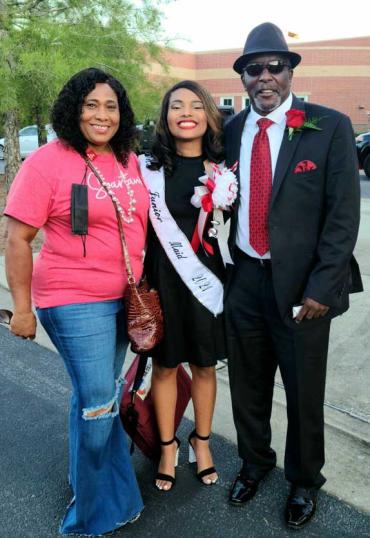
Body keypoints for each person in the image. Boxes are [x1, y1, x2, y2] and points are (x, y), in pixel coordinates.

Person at [224, 22, 363, 529]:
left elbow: (343, 217)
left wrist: (324, 288)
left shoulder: (328, 126)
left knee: (303, 390)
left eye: (274, 67)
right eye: (253, 69)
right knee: (247, 383)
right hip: (244, 279)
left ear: (289, 72)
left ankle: (305, 479)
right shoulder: (234, 130)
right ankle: (255, 461)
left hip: (304, 290)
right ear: (242, 78)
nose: (264, 77)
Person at [4, 67, 148, 536]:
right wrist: (22, 309)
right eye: (91, 105)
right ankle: (94, 513)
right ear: (73, 109)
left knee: (94, 395)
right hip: (71, 299)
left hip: (121, 299)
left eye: (111, 106)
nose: (102, 115)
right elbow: (17, 239)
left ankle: (89, 482)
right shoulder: (47, 162)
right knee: (98, 404)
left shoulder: (128, 158)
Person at [140, 80, 227, 491]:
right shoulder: (148, 168)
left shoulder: (223, 170)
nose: (186, 112)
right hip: (163, 280)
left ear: (209, 115)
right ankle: (168, 445)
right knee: (166, 366)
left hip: (206, 281)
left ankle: (202, 441)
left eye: (196, 105)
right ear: (166, 117)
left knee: (205, 366)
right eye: (177, 106)